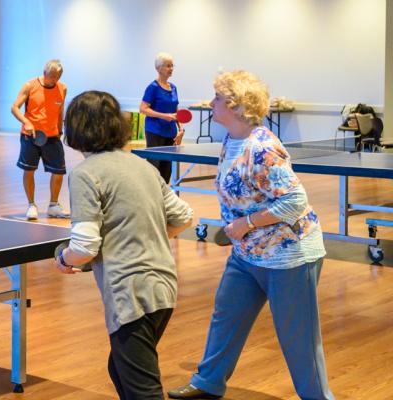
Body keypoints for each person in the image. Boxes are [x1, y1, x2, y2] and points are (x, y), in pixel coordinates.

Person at [168, 71, 333, 400]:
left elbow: (295, 200)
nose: (210, 103)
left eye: (216, 98)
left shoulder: (262, 147)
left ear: (235, 105)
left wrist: (247, 224)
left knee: (297, 337)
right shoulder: (232, 139)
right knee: (226, 316)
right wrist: (243, 230)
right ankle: (208, 382)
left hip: (289, 256)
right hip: (247, 253)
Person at [55, 90, 193, 399]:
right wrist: (144, 238)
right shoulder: (143, 165)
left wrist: (65, 259)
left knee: (143, 390)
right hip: (164, 289)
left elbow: (86, 246)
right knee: (119, 367)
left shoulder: (85, 174)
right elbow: (184, 217)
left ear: (75, 128)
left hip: (130, 294)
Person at [11, 59, 69, 220]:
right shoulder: (30, 86)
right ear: (44, 73)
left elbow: (59, 109)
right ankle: (31, 205)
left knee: (59, 171)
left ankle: (53, 205)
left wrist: (59, 128)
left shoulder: (62, 88)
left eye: (57, 77)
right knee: (29, 170)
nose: (54, 80)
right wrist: (27, 122)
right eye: (51, 77)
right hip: (31, 137)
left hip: (52, 137)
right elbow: (14, 107)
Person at [140, 52, 185, 183]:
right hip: (155, 131)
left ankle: (164, 197)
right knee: (154, 166)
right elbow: (143, 109)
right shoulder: (153, 87)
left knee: (167, 168)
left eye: (172, 66)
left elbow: (176, 110)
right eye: (167, 66)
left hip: (170, 133)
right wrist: (163, 116)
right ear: (158, 68)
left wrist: (181, 129)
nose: (171, 69)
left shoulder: (174, 87)